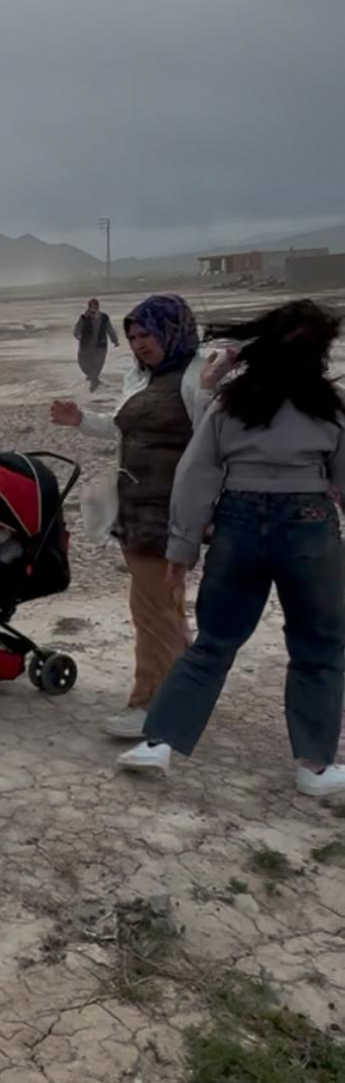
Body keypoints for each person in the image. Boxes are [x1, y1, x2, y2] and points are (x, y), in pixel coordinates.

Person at [118, 301, 345, 795]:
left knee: (214, 643)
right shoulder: (330, 405)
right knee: (318, 648)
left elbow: (195, 475)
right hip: (308, 522)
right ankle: (314, 766)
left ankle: (158, 743)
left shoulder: (230, 402)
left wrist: (181, 551)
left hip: (239, 522)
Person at [51, 294, 213, 741]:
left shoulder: (198, 379)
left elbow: (215, 448)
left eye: (148, 335)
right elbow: (122, 425)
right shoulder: (140, 376)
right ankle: (186, 694)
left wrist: (211, 513)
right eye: (135, 336)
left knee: (152, 611)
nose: (141, 344)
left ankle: (152, 706)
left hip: (171, 514)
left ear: (173, 331)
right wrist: (80, 419)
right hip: (135, 510)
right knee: (165, 608)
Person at [74, 298, 120, 391]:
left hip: (100, 345)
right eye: (92, 306)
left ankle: (93, 383)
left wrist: (114, 340)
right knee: (83, 364)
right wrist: (78, 336)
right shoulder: (84, 318)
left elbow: (109, 329)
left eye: (96, 306)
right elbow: (77, 329)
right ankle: (93, 378)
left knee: (98, 364)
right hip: (86, 346)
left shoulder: (104, 318)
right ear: (89, 307)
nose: (94, 308)